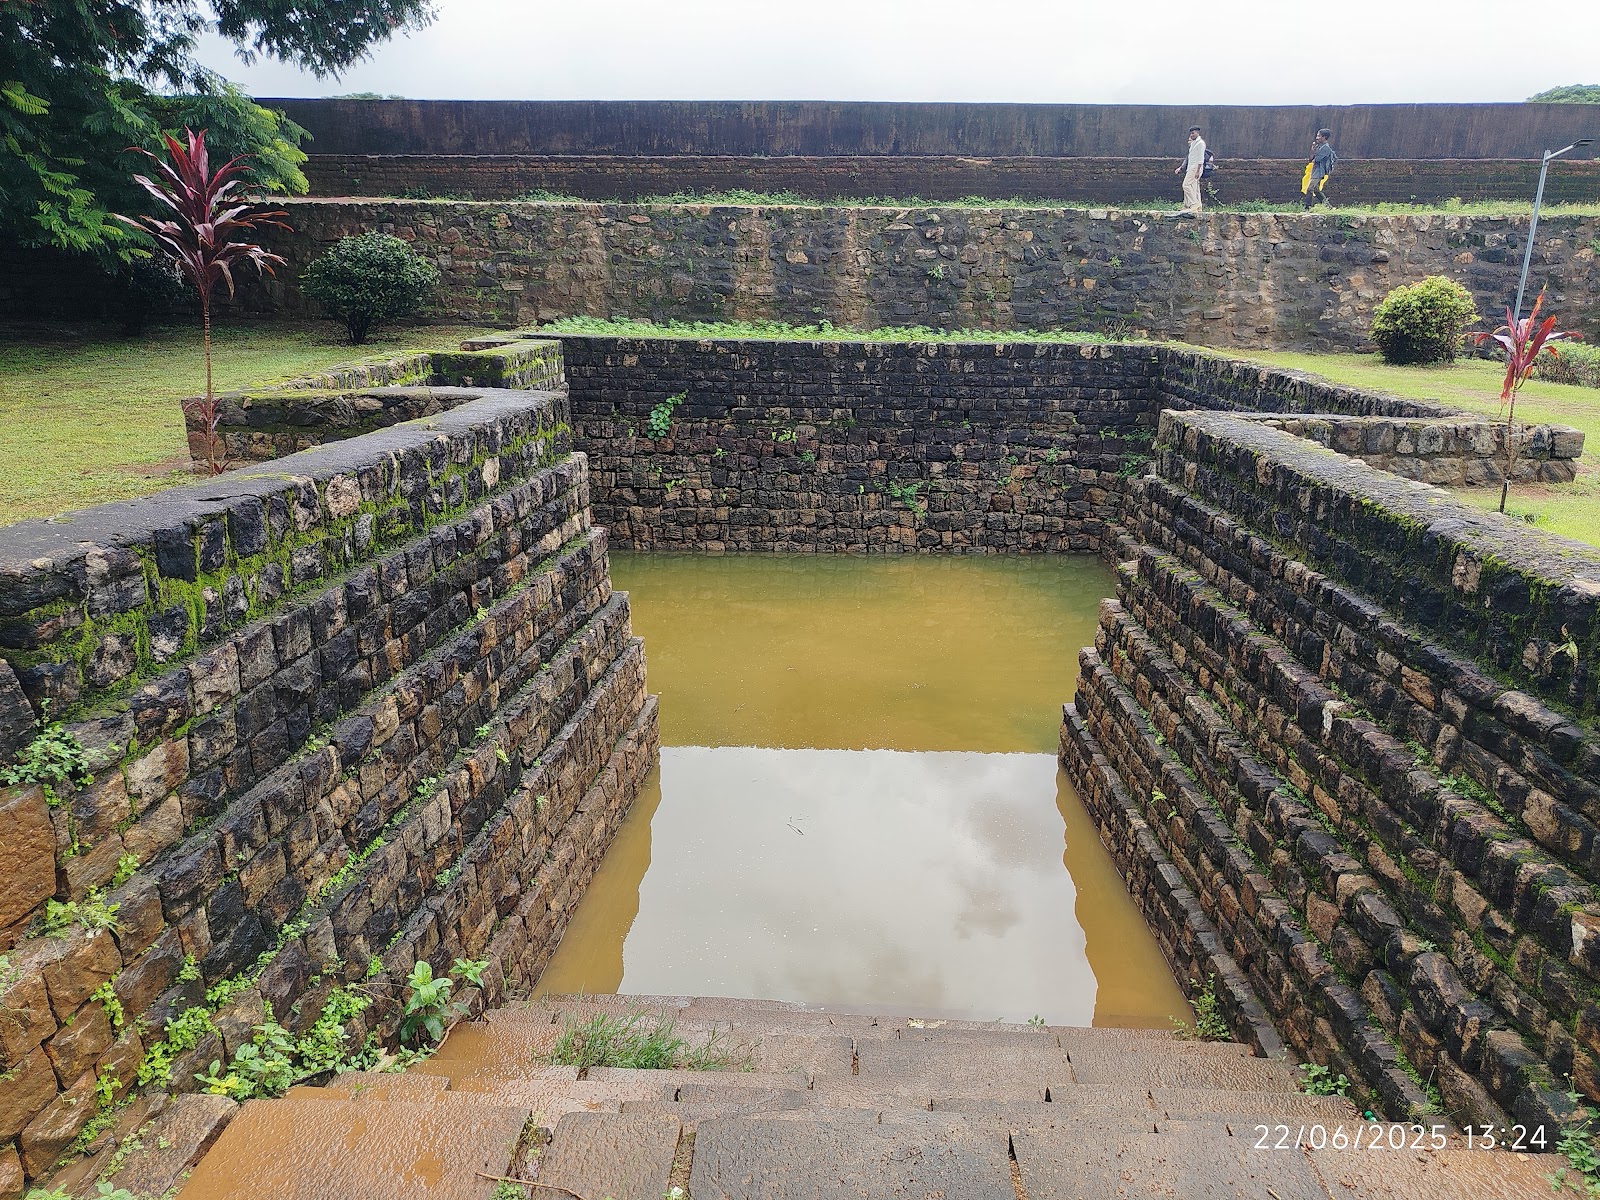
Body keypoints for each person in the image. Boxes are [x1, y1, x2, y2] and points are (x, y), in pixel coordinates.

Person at [1175, 126, 1206, 214]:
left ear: (1197, 133)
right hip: (1191, 167)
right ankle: (1198, 206)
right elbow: (1189, 158)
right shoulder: (1194, 143)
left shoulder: (1200, 143)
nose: (1191, 135)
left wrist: (1198, 171)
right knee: (1194, 187)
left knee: (1186, 185)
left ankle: (1193, 204)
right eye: (1191, 133)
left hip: (1195, 167)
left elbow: (1201, 158)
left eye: (1193, 133)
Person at [1303, 128, 1336, 209]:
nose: (1317, 138)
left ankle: (1307, 207)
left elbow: (1316, 159)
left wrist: (1314, 154)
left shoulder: (1326, 148)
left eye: (1319, 136)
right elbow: (1311, 159)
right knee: (1316, 190)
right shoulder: (1319, 147)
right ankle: (1329, 207)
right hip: (1315, 171)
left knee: (1310, 188)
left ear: (1324, 137)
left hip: (1319, 172)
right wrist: (1313, 150)